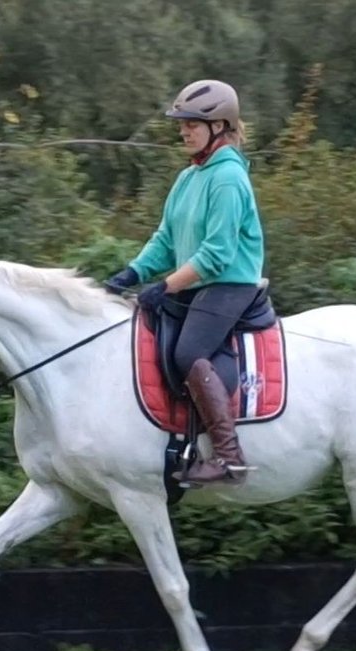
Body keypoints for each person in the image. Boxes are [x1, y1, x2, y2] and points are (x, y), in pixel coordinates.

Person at [105, 79, 266, 486]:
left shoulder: (228, 177)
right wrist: (132, 273)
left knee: (187, 351)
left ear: (219, 126)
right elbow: (165, 240)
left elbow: (217, 254)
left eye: (192, 123)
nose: (183, 130)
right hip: (198, 284)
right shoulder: (188, 178)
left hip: (231, 285)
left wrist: (167, 286)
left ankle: (230, 458)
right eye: (182, 123)